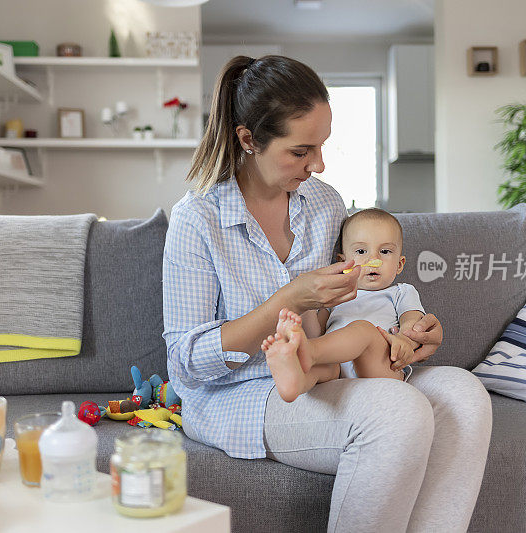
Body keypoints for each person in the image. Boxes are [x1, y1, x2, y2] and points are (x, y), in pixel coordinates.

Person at [162, 55, 492, 532]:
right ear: (248, 139)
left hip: (327, 371)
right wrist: (289, 300)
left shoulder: (324, 203)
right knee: (396, 413)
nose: (317, 164)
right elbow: (187, 360)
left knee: (463, 393)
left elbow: (355, 298)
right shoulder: (198, 220)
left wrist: (409, 328)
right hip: (242, 395)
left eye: (322, 146)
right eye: (300, 151)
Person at [261, 208, 427, 402]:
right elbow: (319, 331)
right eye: (361, 251)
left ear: (399, 264)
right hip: (337, 366)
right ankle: (295, 382)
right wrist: (304, 311)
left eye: (384, 251)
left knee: (363, 329)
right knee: (321, 368)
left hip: (381, 367)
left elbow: (413, 322)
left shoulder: (401, 292)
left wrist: (404, 340)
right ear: (343, 262)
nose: (373, 259)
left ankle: (308, 351)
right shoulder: (335, 295)